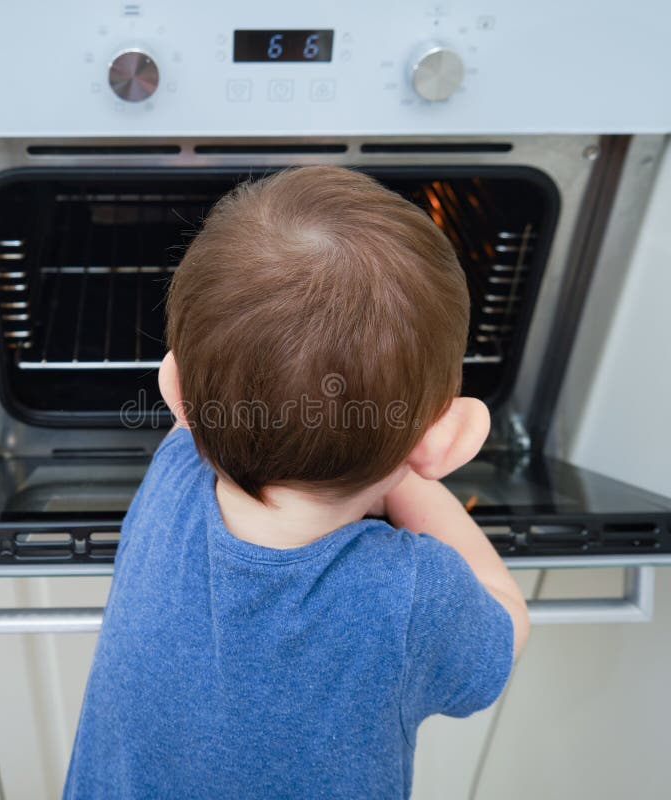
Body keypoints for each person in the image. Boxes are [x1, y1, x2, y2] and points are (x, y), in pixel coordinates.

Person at [63, 166, 530, 799]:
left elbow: (208, 409)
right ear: (444, 441)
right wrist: (411, 468)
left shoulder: (172, 472)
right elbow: (504, 623)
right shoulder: (414, 595)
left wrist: (396, 449)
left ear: (174, 393)